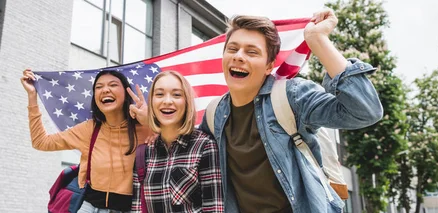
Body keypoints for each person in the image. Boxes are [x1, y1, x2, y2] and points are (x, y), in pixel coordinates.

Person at [199, 9, 383, 213]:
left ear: (269, 66)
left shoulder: (292, 95)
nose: (239, 57)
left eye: (252, 52)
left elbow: (365, 111)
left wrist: (317, 40)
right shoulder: (213, 114)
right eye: (232, 49)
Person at [21, 69, 152, 213]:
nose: (105, 90)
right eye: (99, 87)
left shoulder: (145, 128)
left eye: (113, 85)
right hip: (88, 206)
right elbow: (41, 142)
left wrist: (152, 123)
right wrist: (32, 96)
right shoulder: (89, 129)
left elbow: (177, 142)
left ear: (126, 93)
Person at [130, 71, 224, 213]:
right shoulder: (144, 154)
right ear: (152, 102)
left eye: (176, 95)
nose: (167, 101)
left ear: (186, 102)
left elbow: (214, 208)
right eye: (160, 94)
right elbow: (137, 209)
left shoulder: (204, 146)